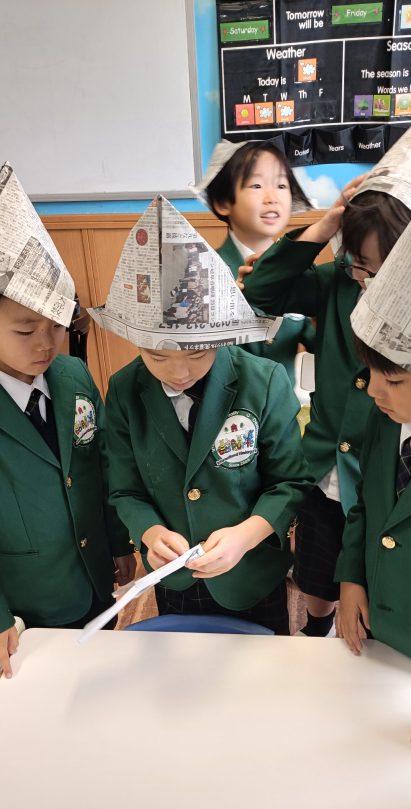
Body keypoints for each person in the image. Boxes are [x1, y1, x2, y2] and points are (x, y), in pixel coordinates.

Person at [241, 110, 411, 638]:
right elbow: (261, 291)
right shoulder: (340, 282)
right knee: (317, 573)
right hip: (323, 468)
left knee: (379, 573)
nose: (367, 280)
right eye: (359, 264)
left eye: (380, 269)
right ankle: (317, 627)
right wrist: (329, 223)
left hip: (386, 478)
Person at [89, 196, 308, 635]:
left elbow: (290, 482)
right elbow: (124, 489)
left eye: (197, 354)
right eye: (157, 357)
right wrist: (150, 532)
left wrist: (247, 535)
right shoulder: (126, 389)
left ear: (221, 338)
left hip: (251, 575)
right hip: (173, 575)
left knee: (261, 666)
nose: (179, 373)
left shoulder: (262, 381)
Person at [336, 186, 411, 767]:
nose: (376, 393)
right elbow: (366, 503)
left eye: (396, 380)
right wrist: (351, 577)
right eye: (372, 374)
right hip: (381, 648)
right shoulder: (386, 418)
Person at [0, 163, 135, 677]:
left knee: (97, 678)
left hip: (94, 576)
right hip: (26, 598)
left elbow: (101, 464)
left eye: (56, 326)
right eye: (25, 330)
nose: (45, 343)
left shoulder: (74, 375)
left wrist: (118, 541)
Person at [195, 137, 313, 387]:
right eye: (257, 185)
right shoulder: (205, 272)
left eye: (281, 185)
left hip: (283, 405)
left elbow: (316, 339)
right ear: (223, 202)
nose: (272, 197)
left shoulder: (300, 270)